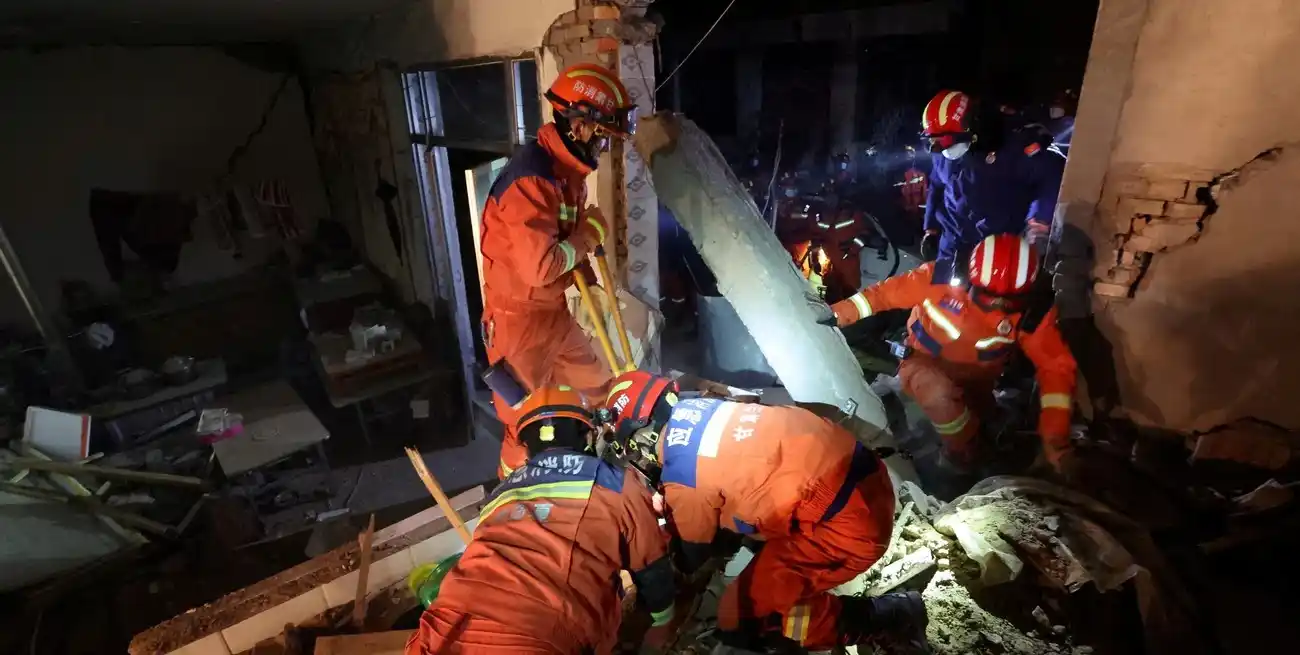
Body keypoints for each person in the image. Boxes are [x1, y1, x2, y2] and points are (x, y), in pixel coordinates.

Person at [599, 371, 928, 652]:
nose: (639, 458)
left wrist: (668, 561)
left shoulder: (684, 479)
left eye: (633, 448)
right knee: (746, 531)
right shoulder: (708, 406)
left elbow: (691, 555)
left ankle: (890, 618)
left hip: (849, 526)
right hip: (863, 480)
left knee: (743, 614)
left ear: (643, 433)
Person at [408, 386, 676, 655]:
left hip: (445, 626)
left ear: (525, 445)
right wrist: (662, 623)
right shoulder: (615, 483)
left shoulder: (499, 494)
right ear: (588, 434)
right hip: (533, 634)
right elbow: (652, 566)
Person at [479, 63, 636, 479]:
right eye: (602, 137)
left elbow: (567, 242)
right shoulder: (530, 181)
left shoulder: (567, 176)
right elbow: (542, 267)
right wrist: (590, 233)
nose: (602, 148)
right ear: (580, 125)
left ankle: (611, 473)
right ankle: (514, 494)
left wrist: (591, 268)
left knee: (600, 389)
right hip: (517, 327)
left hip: (552, 317)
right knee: (524, 424)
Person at [831, 233, 1078, 474]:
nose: (998, 305)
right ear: (970, 279)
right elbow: (883, 295)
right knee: (941, 399)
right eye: (987, 297)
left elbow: (1055, 369)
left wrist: (1055, 440)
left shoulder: (1033, 315)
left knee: (986, 422)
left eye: (1008, 301)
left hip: (979, 382)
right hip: (921, 364)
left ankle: (974, 439)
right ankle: (960, 456)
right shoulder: (938, 279)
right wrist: (837, 314)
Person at [919, 90, 1064, 264]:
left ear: (972, 128)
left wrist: (1039, 221)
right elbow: (936, 184)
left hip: (1001, 246)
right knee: (942, 290)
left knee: (995, 290)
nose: (941, 148)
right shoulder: (943, 154)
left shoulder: (1011, 149)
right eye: (934, 142)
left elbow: (1050, 175)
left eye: (945, 141)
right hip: (952, 244)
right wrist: (930, 228)